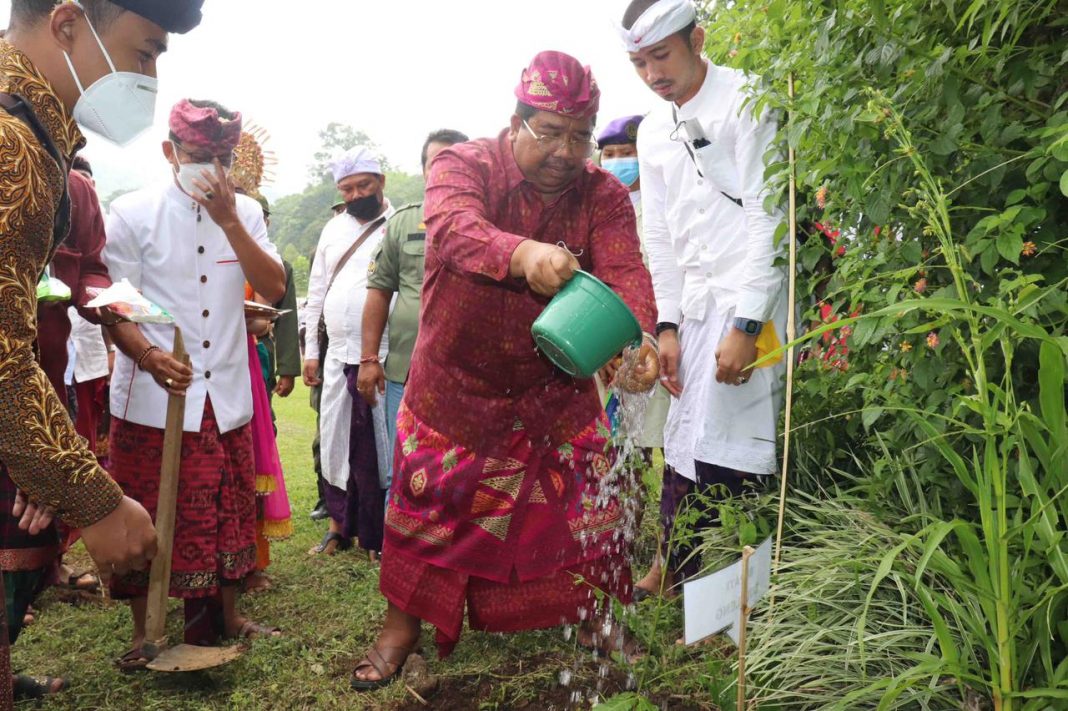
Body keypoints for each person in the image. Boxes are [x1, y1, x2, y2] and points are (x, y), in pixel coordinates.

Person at [351, 50, 659, 690]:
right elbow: (455, 230)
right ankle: (400, 629)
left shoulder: (601, 194)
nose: (566, 151)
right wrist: (520, 254)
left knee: (590, 512)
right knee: (428, 513)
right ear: (514, 122)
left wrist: (641, 340)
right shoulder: (463, 166)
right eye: (549, 131)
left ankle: (597, 621)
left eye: (580, 135)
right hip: (456, 391)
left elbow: (627, 272)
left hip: (556, 391)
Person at [0, 0, 204, 703]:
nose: (148, 80)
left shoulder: (62, 169)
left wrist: (153, 326)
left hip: (41, 386)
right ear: (67, 24)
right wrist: (93, 498)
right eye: (144, 54)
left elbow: (95, 280)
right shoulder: (15, 145)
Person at [102, 98, 285, 669]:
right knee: (150, 514)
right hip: (154, 397)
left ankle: (228, 617)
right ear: (170, 153)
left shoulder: (248, 213)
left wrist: (230, 218)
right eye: (199, 155)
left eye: (222, 157)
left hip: (223, 395)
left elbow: (273, 287)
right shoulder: (131, 213)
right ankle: (144, 629)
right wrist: (150, 354)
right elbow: (114, 305)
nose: (211, 166)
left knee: (226, 508)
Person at [620, 0, 788, 595]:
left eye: (661, 56)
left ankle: (735, 592)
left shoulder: (749, 98)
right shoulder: (651, 129)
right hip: (691, 308)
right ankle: (676, 568)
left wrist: (745, 324)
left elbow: (770, 216)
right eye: (640, 63)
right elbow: (659, 236)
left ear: (697, 38)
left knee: (737, 442)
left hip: (752, 299)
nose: (653, 74)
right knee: (685, 439)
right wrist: (667, 327)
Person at [358, 128, 469, 502]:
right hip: (405, 372)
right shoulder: (403, 224)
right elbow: (378, 292)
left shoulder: (493, 220)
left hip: (468, 376)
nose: (443, 169)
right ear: (423, 170)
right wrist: (369, 358)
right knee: (403, 467)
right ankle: (400, 555)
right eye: (434, 162)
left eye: (453, 160)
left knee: (462, 468)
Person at [302, 147, 394, 556]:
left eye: (364, 186)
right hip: (337, 355)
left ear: (381, 183)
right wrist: (310, 352)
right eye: (347, 188)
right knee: (336, 443)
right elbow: (317, 292)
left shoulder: (398, 225)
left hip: (384, 354)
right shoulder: (332, 229)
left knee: (379, 446)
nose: (356, 195)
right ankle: (339, 527)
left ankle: (381, 535)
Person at [597, 114, 671, 457]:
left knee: (654, 436)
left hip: (652, 336)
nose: (618, 162)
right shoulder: (595, 211)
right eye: (609, 155)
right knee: (609, 445)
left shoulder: (666, 209)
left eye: (627, 153)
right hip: (602, 342)